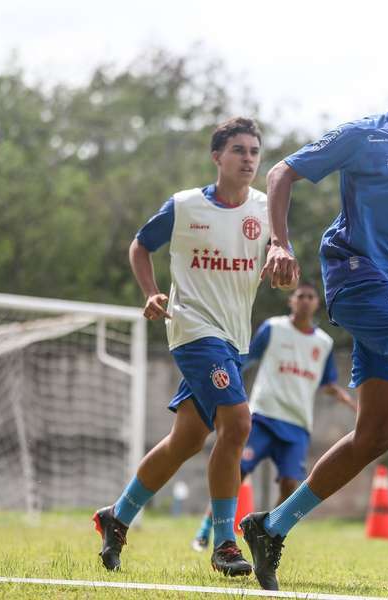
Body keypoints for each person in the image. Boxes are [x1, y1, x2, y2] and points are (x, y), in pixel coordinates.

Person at [241, 45, 388, 591]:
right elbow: (281, 173)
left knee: (373, 438)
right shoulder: (365, 136)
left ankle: (271, 527)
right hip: (355, 279)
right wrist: (279, 245)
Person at [91, 117, 279, 578]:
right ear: (217, 157)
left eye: (255, 151)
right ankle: (223, 544)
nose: (248, 159)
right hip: (193, 331)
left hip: (234, 338)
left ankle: (117, 516)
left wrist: (281, 263)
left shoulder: (267, 208)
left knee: (187, 440)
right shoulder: (185, 206)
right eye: (239, 150)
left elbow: (277, 254)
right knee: (237, 423)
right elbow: (140, 246)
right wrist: (151, 292)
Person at [191, 282, 356, 552]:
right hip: (263, 416)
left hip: (298, 424)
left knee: (291, 483)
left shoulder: (323, 343)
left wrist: (341, 395)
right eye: (299, 296)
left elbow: (326, 381)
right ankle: (207, 528)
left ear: (317, 303)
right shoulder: (273, 328)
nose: (304, 300)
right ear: (291, 301)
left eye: (310, 296)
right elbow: (247, 360)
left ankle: (270, 534)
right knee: (237, 471)